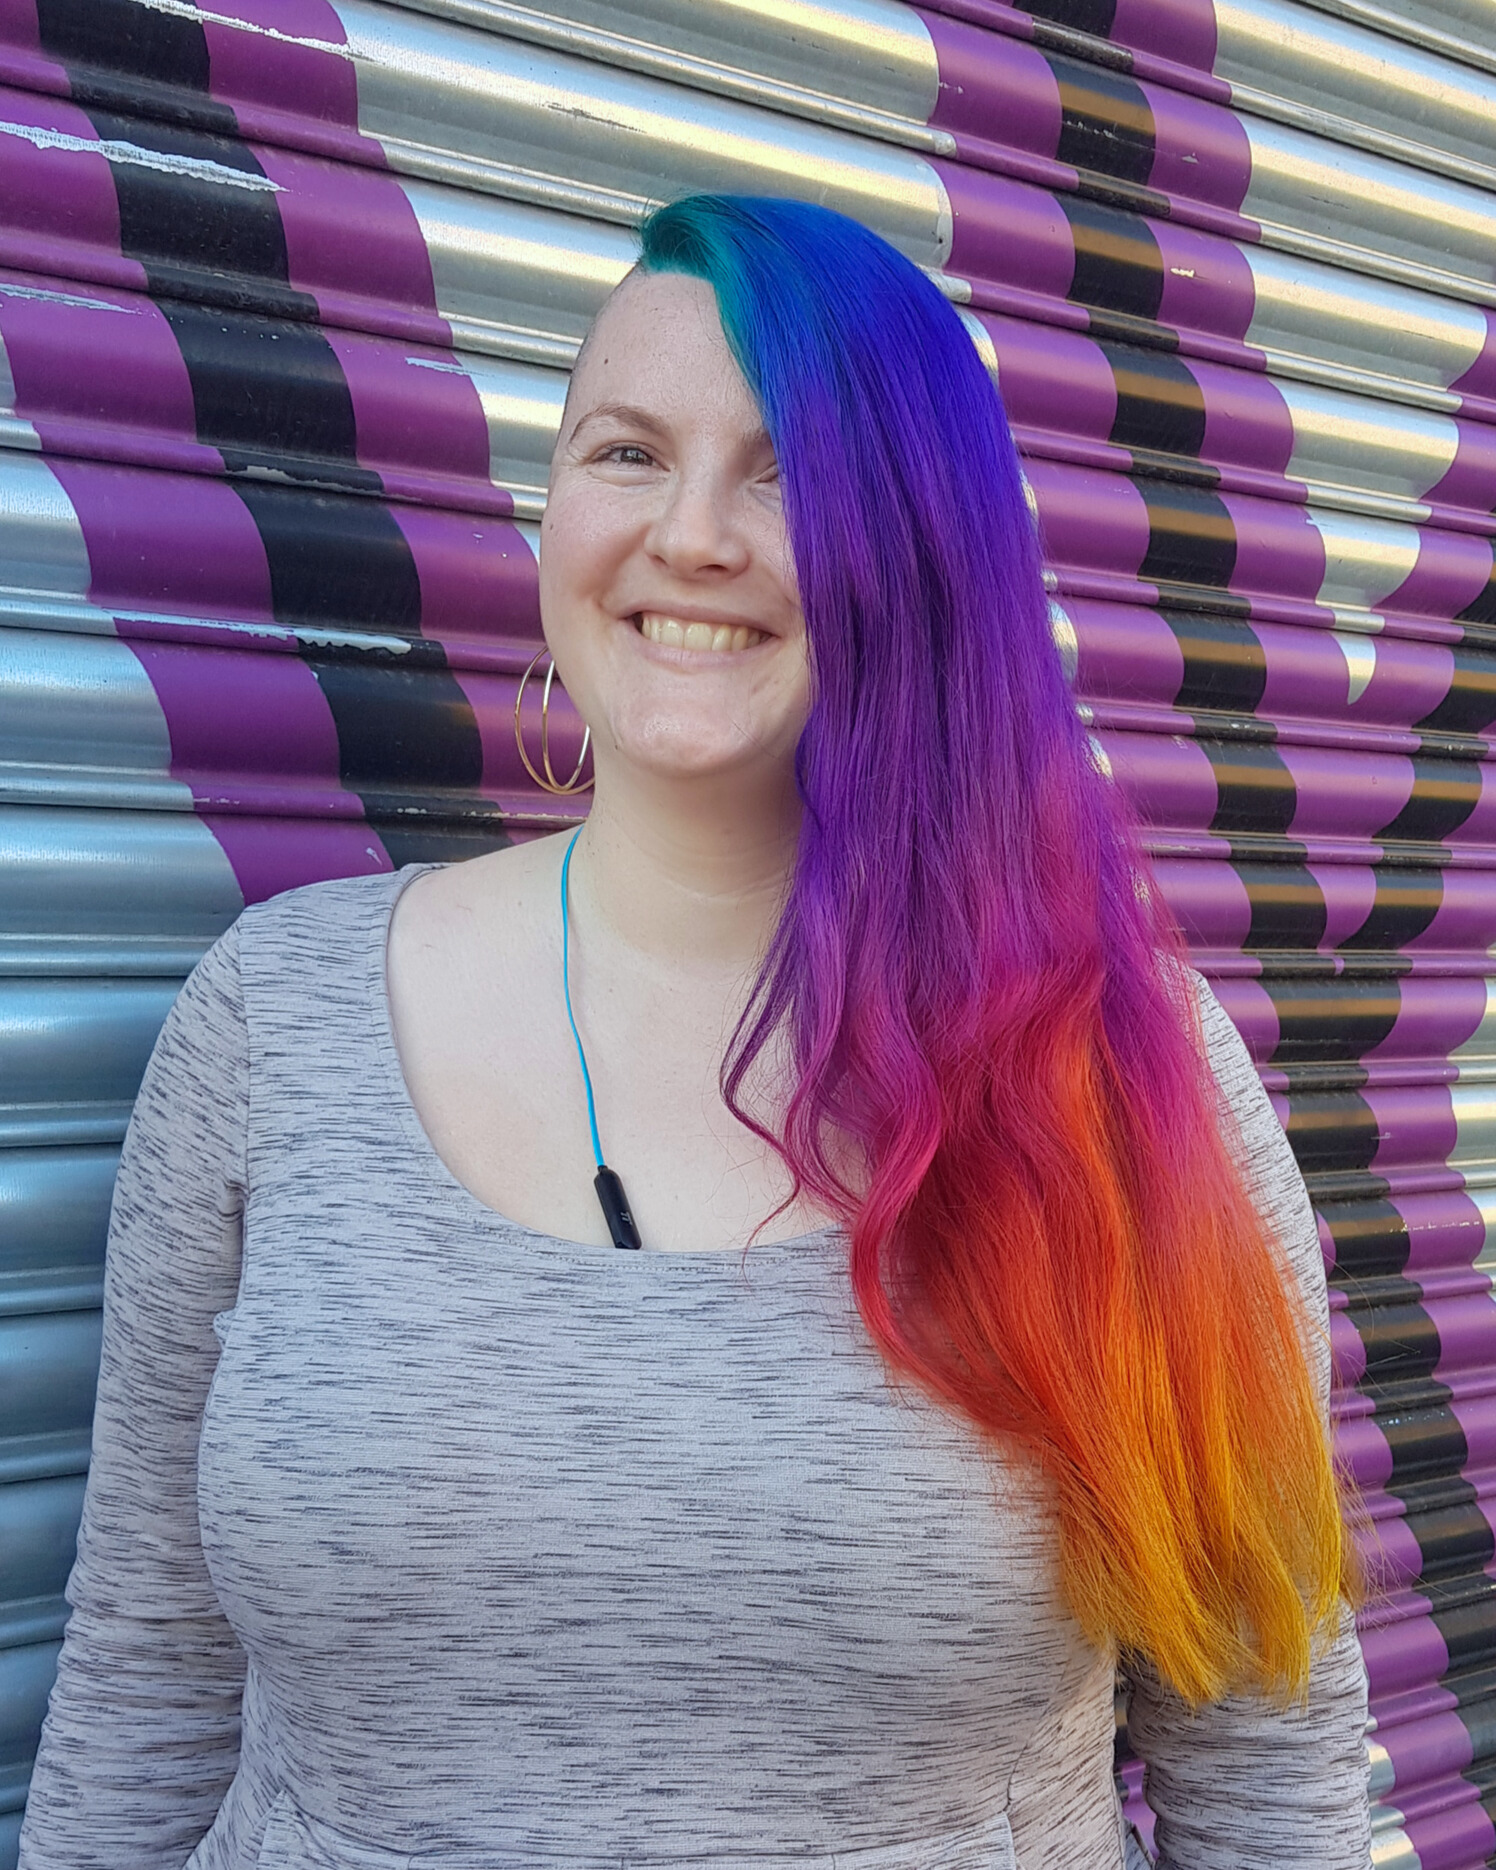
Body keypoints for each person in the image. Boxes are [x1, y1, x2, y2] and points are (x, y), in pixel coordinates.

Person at [18, 194, 1371, 1870]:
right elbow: (145, 1688)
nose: (693, 535)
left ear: (923, 550)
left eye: (787, 473)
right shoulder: (274, 1018)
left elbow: (1269, 1762)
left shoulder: (1117, 1069)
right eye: (628, 452)